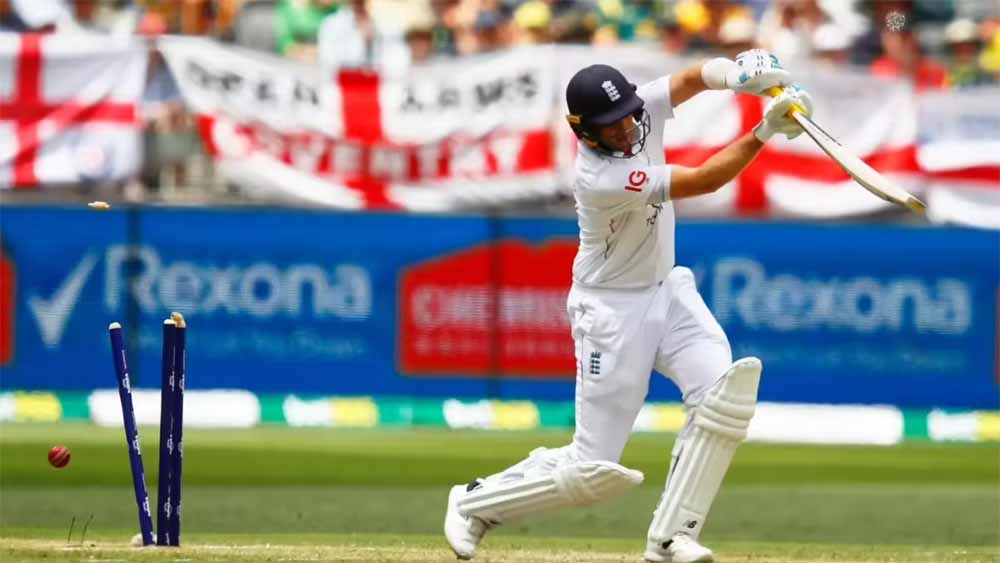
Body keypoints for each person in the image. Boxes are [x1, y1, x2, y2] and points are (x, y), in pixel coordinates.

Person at [443, 51, 813, 563]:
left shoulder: (637, 114)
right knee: (591, 469)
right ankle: (473, 502)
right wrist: (765, 130)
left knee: (721, 400)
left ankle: (672, 536)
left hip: (667, 290)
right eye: (610, 126)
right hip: (611, 312)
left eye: (628, 116)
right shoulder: (599, 178)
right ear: (585, 132)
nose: (625, 129)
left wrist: (738, 76)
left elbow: (691, 77)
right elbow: (704, 181)